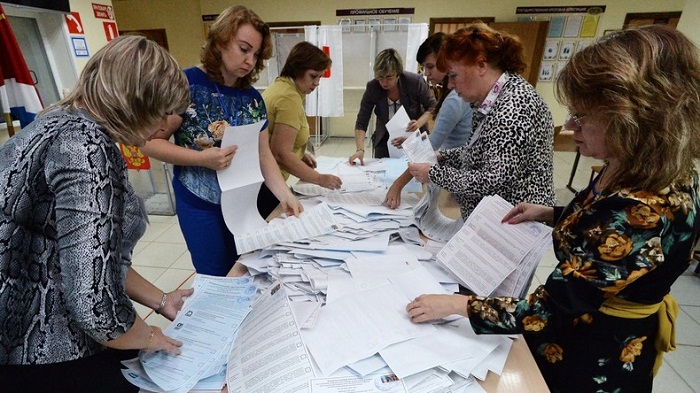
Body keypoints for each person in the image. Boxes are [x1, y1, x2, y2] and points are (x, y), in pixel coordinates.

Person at [407, 25, 700, 393]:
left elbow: (550, 310)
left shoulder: (644, 207)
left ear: (632, 119)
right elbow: (600, 216)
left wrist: (457, 305)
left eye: (581, 116)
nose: (569, 126)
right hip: (578, 329)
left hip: (596, 356)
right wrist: (551, 213)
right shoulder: (631, 161)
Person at [0, 35, 194, 392]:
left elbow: (86, 254)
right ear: (135, 102)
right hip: (42, 345)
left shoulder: (58, 121)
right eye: (162, 111)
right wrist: (148, 336)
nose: (166, 126)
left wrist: (161, 301)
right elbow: (96, 306)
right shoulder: (88, 148)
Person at [140, 5, 303, 277]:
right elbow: (149, 142)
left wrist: (285, 194)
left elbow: (264, 156)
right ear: (220, 41)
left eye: (255, 54)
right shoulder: (186, 84)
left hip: (243, 203)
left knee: (247, 270)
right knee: (215, 276)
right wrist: (201, 159)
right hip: (201, 204)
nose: (250, 60)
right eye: (243, 48)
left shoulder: (252, 97)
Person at [407, 23, 556, 220]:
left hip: (513, 225)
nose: (450, 84)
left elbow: (492, 181)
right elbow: (480, 150)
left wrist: (434, 174)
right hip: (494, 219)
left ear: (481, 65)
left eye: (453, 76)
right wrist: (444, 156)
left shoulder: (513, 107)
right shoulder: (490, 100)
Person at [383, 32, 473, 209]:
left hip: (459, 174)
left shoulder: (454, 99)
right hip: (456, 167)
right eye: (424, 67)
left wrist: (398, 185)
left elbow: (429, 149)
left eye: (430, 67)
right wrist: (411, 141)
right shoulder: (451, 94)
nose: (427, 73)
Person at [259, 41, 342, 217]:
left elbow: (276, 136)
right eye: (313, 76)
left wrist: (300, 153)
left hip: (262, 179)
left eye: (319, 77)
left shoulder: (281, 87)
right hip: (267, 184)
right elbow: (280, 153)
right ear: (297, 70)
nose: (317, 82)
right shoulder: (288, 98)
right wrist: (319, 179)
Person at [348, 48, 436, 164]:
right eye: (380, 78)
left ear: (398, 73)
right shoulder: (373, 87)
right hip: (385, 140)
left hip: (414, 137)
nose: (384, 83)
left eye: (389, 77)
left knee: (417, 173)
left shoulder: (414, 82)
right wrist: (360, 149)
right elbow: (362, 121)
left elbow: (433, 106)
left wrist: (418, 123)